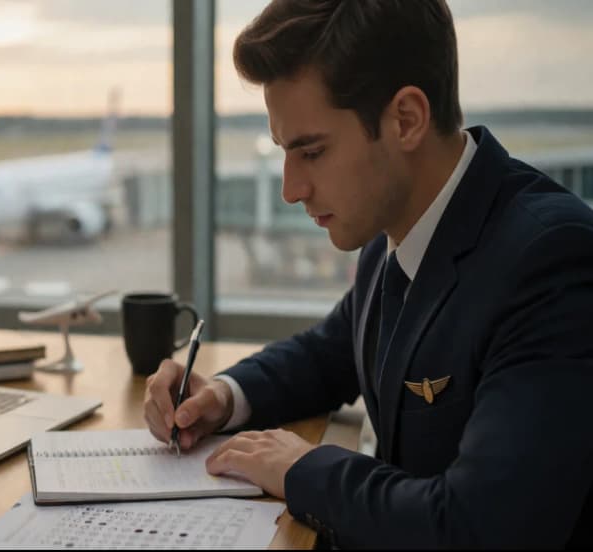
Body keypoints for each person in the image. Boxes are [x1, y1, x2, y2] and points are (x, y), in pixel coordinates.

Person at [143, 0, 593, 548]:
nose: (290, 190)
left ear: (406, 119)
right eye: (285, 152)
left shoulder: (550, 259)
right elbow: (329, 353)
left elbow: (479, 526)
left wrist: (302, 469)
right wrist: (222, 395)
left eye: (312, 151)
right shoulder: (396, 231)